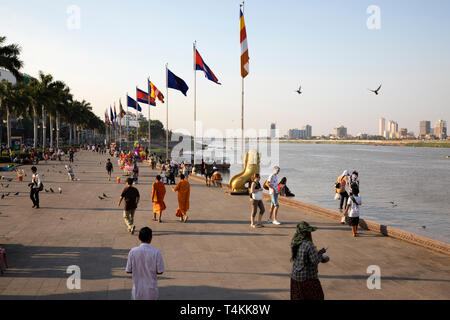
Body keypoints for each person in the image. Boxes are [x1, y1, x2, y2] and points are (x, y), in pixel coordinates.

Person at [290, 221, 327, 300]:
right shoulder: (309, 244)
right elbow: (315, 261)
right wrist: (321, 255)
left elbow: (303, 257)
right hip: (307, 278)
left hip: (295, 276)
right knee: (317, 296)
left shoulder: (294, 242)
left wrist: (319, 252)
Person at [126, 227, 164, 300]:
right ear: (151, 238)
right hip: (151, 291)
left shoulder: (132, 252)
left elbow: (128, 270)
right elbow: (160, 271)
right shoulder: (156, 252)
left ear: (139, 238)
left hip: (137, 291)